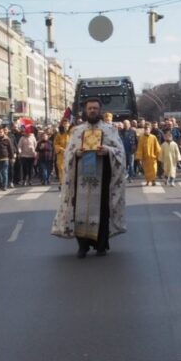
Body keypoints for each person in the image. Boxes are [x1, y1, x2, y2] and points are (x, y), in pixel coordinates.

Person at [52, 98, 127, 257]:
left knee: (102, 211)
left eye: (95, 108)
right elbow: (68, 153)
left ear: (100, 110)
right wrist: (76, 153)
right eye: (90, 108)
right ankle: (83, 246)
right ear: (85, 111)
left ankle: (101, 245)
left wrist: (107, 150)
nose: (92, 111)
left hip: (103, 176)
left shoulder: (110, 130)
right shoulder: (77, 131)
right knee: (80, 211)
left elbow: (120, 153)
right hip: (81, 178)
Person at [136, 121, 162, 186]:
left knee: (154, 169)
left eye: (148, 129)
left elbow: (157, 147)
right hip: (145, 158)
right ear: (144, 130)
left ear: (150, 130)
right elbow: (139, 148)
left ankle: (153, 181)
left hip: (153, 157)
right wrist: (139, 158)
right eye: (145, 129)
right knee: (146, 170)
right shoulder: (141, 138)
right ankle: (148, 181)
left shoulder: (153, 137)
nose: (147, 130)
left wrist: (159, 155)